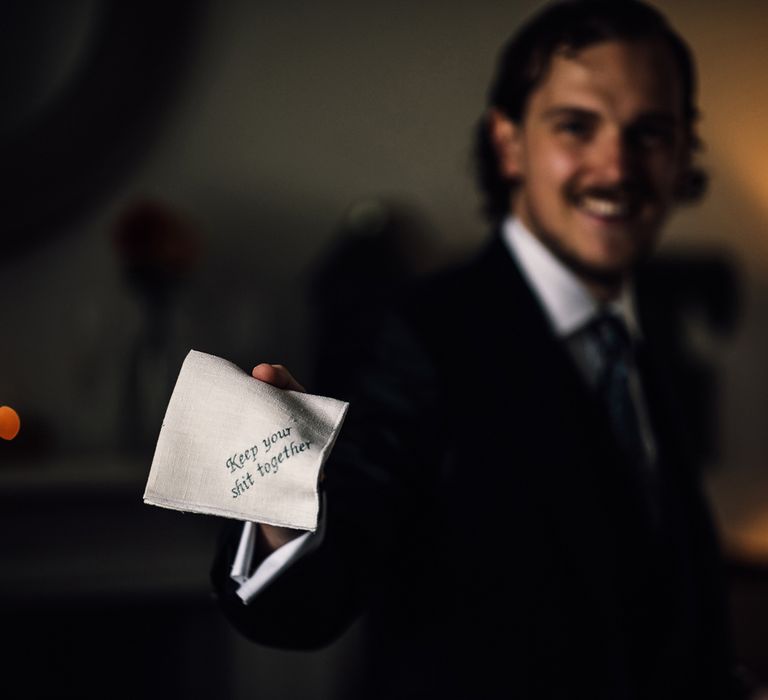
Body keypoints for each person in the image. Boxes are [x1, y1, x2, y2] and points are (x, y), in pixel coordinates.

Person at [212, 2, 753, 697]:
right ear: (509, 144)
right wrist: (282, 511)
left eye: (649, 132)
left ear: (683, 151)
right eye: (576, 127)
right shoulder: (416, 331)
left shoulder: (648, 338)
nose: (617, 166)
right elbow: (313, 595)